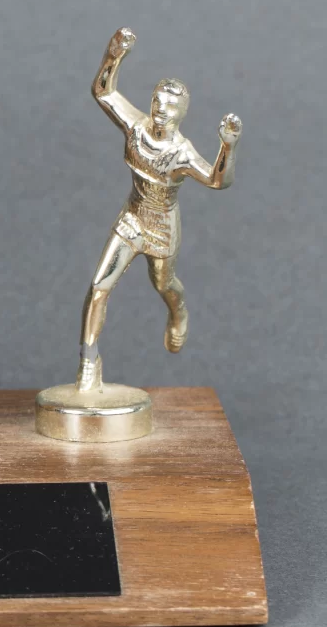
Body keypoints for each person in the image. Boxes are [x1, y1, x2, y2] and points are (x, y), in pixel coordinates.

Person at [76, 28, 240, 388]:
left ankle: (178, 312)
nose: (160, 110)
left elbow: (217, 181)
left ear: (182, 113)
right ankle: (89, 362)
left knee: (163, 284)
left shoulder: (181, 154)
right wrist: (114, 55)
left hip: (163, 226)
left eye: (170, 106)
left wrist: (227, 146)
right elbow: (103, 92)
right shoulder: (135, 128)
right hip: (132, 218)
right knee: (99, 286)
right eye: (157, 101)